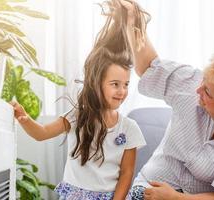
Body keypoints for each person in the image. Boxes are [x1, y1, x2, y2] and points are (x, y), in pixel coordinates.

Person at [119, 1, 214, 200]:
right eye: (203, 82)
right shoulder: (190, 83)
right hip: (147, 188)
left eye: (208, 92)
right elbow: (148, 67)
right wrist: (133, 20)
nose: (198, 90)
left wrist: (175, 198)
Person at [10, 1, 147, 199]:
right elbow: (41, 134)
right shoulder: (76, 117)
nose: (122, 91)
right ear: (96, 83)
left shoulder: (129, 128)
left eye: (126, 84)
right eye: (115, 84)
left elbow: (127, 173)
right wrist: (24, 118)